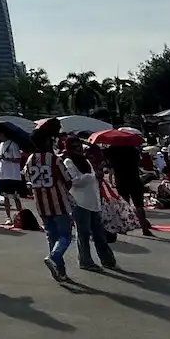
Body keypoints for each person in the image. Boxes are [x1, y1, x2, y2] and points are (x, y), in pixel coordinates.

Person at [23, 120, 74, 283]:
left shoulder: (30, 159)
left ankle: (60, 271)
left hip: (41, 205)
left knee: (52, 237)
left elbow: (27, 178)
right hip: (59, 203)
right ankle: (54, 257)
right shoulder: (54, 159)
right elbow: (68, 180)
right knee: (65, 236)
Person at [62, 139, 118, 272]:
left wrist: (94, 177)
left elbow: (92, 178)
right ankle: (85, 261)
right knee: (84, 235)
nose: (79, 149)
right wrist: (90, 177)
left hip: (93, 202)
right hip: (80, 203)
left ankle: (107, 260)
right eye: (75, 147)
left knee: (99, 234)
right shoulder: (68, 162)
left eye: (79, 147)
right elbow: (74, 181)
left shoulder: (86, 161)